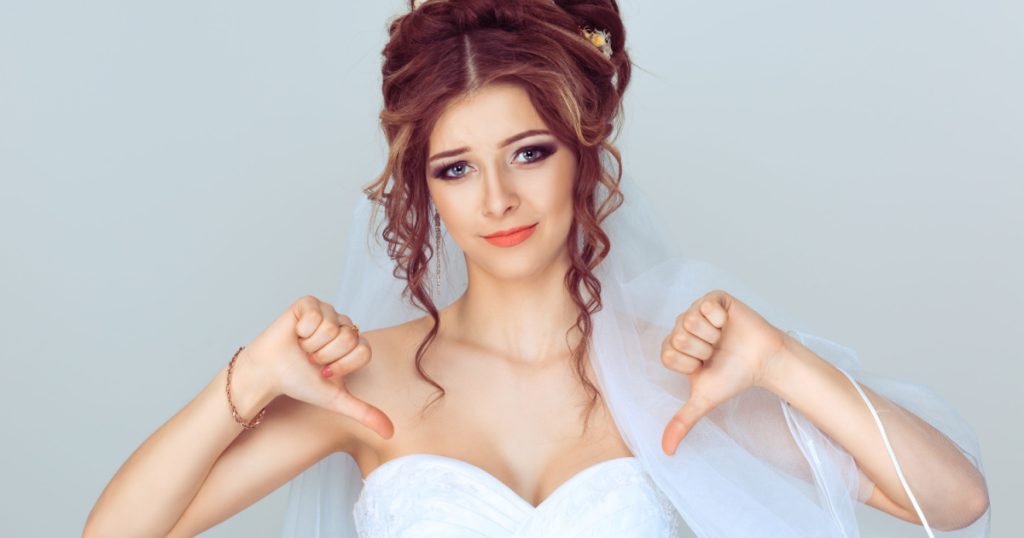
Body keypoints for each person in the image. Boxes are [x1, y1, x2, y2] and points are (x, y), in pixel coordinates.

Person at [84, 1, 992, 537]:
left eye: (528, 153)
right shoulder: (369, 385)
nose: (496, 200)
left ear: (582, 156)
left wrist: (782, 362)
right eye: (455, 168)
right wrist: (247, 379)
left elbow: (955, 500)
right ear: (423, 191)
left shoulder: (670, 380)